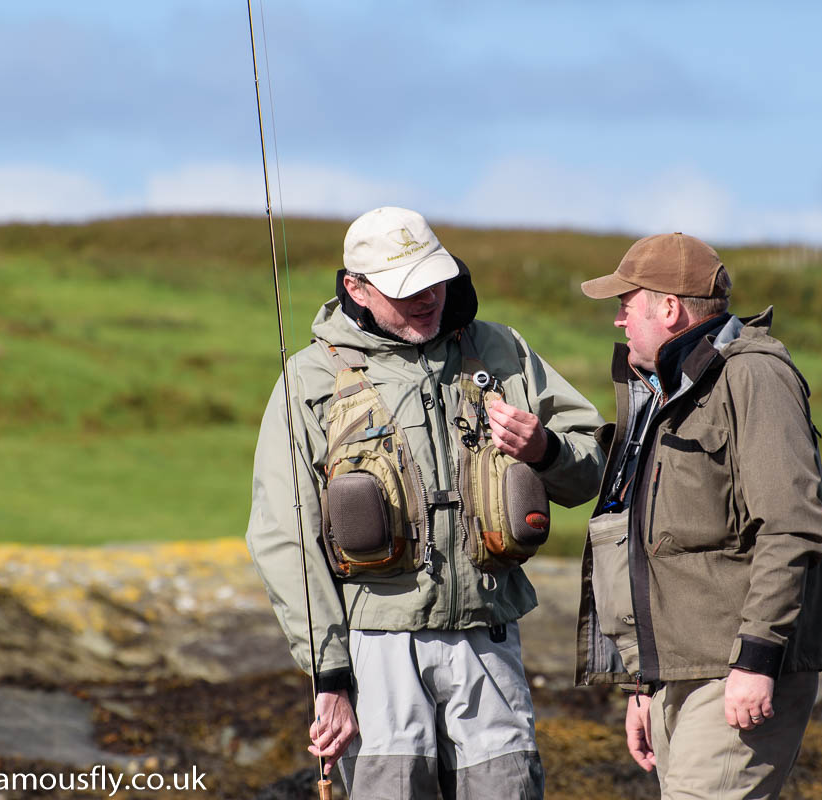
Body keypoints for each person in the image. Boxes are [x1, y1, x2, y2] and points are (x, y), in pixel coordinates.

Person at [246, 206, 604, 799]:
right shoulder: (308, 380)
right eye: (405, 287)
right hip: (376, 653)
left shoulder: (501, 351)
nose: (427, 298)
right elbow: (285, 539)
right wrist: (329, 674)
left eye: (433, 279)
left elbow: (589, 472)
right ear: (355, 288)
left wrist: (544, 449)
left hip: (488, 639)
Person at [574, 233, 822, 799]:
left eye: (626, 304)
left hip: (733, 670)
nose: (619, 321)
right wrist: (642, 682)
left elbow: (792, 526)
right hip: (678, 672)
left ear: (668, 308)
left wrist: (757, 659)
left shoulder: (752, 376)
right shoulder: (667, 387)